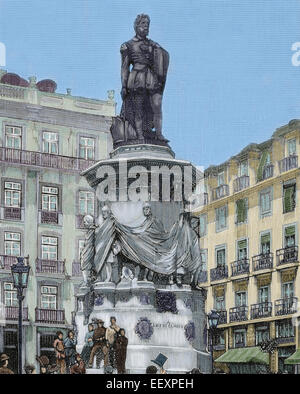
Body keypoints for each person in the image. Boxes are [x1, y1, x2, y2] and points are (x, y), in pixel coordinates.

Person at [120, 14, 169, 140]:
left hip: (151, 78)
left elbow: (162, 58)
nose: (146, 26)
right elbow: (125, 67)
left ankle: (158, 134)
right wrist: (124, 86)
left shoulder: (153, 45)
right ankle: (140, 135)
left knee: (157, 104)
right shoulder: (128, 45)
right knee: (138, 108)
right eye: (143, 23)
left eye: (147, 24)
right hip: (137, 78)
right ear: (136, 26)